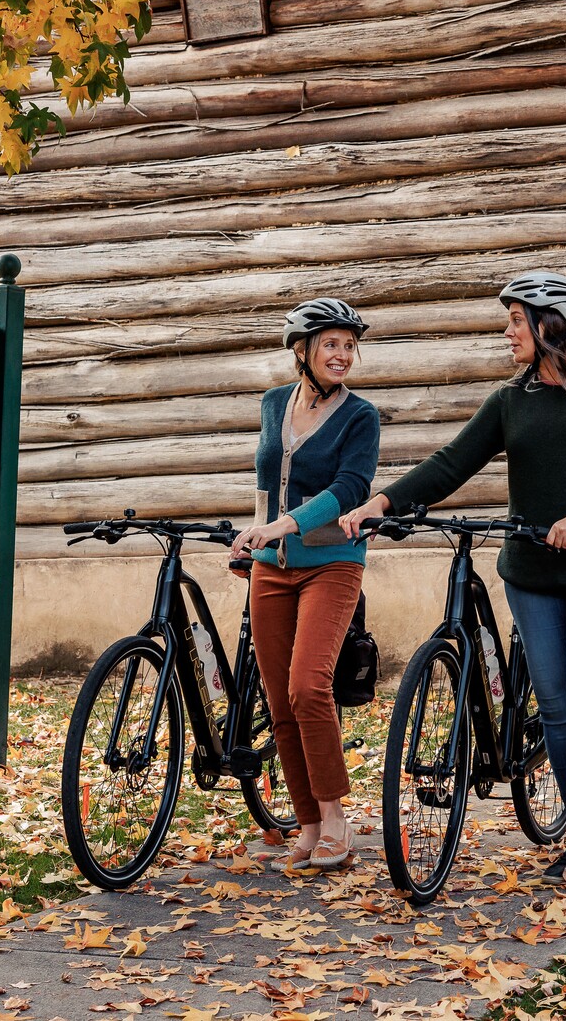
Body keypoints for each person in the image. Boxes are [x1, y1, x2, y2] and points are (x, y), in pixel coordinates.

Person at [336, 272, 566, 892]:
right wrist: (383, 504)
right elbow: (450, 464)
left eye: (517, 319)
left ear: (551, 325)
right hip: (533, 570)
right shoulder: (510, 401)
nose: (507, 331)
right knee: (557, 705)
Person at [231, 298, 381, 873]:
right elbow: (269, 480)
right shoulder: (274, 404)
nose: (342, 355)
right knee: (278, 701)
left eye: (349, 345)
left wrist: (287, 524)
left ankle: (337, 820)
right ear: (303, 351)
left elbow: (350, 487)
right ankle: (309, 824)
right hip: (272, 566)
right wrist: (254, 542)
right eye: (331, 345)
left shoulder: (359, 416)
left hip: (332, 562)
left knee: (308, 687)